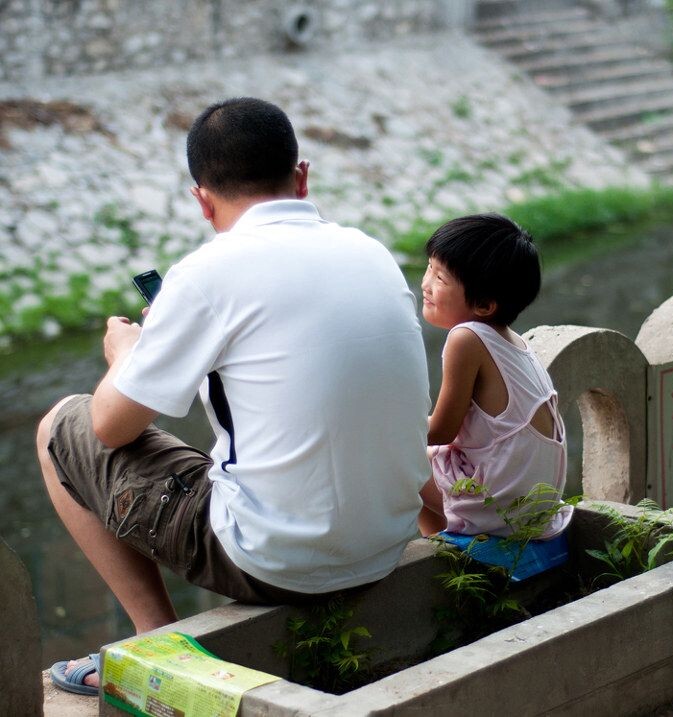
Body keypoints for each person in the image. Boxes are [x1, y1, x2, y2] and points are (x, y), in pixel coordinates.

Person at [38, 97, 430, 695]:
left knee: (59, 426)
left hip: (275, 563)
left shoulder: (205, 274)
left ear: (202, 199)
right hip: (384, 543)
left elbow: (110, 429)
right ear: (302, 177)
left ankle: (157, 651)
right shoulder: (371, 253)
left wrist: (127, 357)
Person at [417, 214, 572, 539]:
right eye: (430, 267)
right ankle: (445, 543)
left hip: (501, 514)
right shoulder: (513, 341)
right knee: (418, 457)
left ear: (485, 304)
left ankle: (439, 552)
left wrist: (385, 421)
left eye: (440, 278)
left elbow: (441, 431)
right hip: (534, 510)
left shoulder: (467, 338)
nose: (425, 283)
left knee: (394, 462)